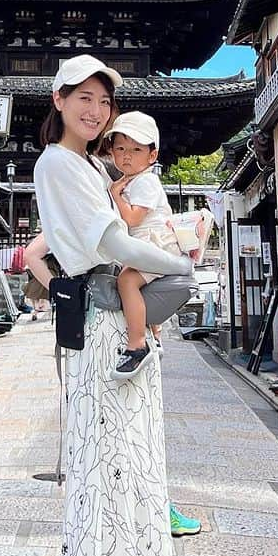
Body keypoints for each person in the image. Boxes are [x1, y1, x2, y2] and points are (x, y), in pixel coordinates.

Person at [28, 54, 193, 556]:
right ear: (60, 98)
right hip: (101, 330)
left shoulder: (98, 168)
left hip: (123, 329)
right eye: (84, 98)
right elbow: (106, 240)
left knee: (134, 474)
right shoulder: (58, 164)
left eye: (105, 101)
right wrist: (180, 261)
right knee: (99, 483)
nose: (95, 111)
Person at [24, 229, 202, 538]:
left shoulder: (69, 216)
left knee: (105, 426)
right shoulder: (97, 214)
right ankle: (151, 508)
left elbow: (30, 255)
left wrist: (62, 292)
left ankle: (118, 509)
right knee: (132, 426)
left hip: (91, 324)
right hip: (116, 326)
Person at [105, 111, 181, 381]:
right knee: (133, 283)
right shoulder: (134, 180)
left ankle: (137, 344)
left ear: (152, 155)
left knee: (127, 282)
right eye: (121, 148)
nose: (127, 156)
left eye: (136, 149)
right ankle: (152, 332)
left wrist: (115, 196)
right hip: (146, 246)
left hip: (157, 246)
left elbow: (133, 217)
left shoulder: (146, 181)